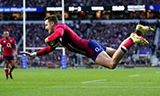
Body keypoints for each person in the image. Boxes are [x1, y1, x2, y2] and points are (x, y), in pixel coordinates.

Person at [20, 15, 154, 69]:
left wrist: (48, 39)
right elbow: (50, 49)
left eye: (46, 25)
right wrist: (34, 54)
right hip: (90, 46)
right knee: (116, 53)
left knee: (112, 64)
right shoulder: (57, 37)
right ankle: (137, 32)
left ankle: (132, 39)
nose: (45, 27)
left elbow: (58, 34)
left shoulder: (59, 27)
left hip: (90, 48)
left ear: (53, 23)